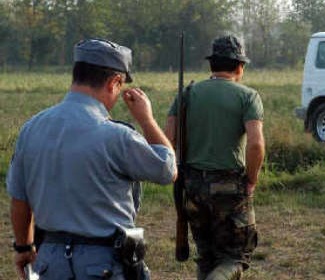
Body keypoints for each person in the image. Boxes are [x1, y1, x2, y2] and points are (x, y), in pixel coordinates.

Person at [7, 38, 177, 279]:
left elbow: (19, 198)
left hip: (49, 261)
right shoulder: (116, 135)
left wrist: (24, 247)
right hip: (104, 263)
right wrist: (147, 120)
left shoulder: (31, 128)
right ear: (114, 82)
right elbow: (167, 170)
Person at [166, 35, 265, 280]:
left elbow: (167, 140)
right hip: (230, 188)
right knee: (235, 257)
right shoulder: (248, 96)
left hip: (192, 187)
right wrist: (251, 179)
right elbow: (255, 144)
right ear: (239, 66)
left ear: (212, 64)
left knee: (206, 255)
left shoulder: (186, 94)